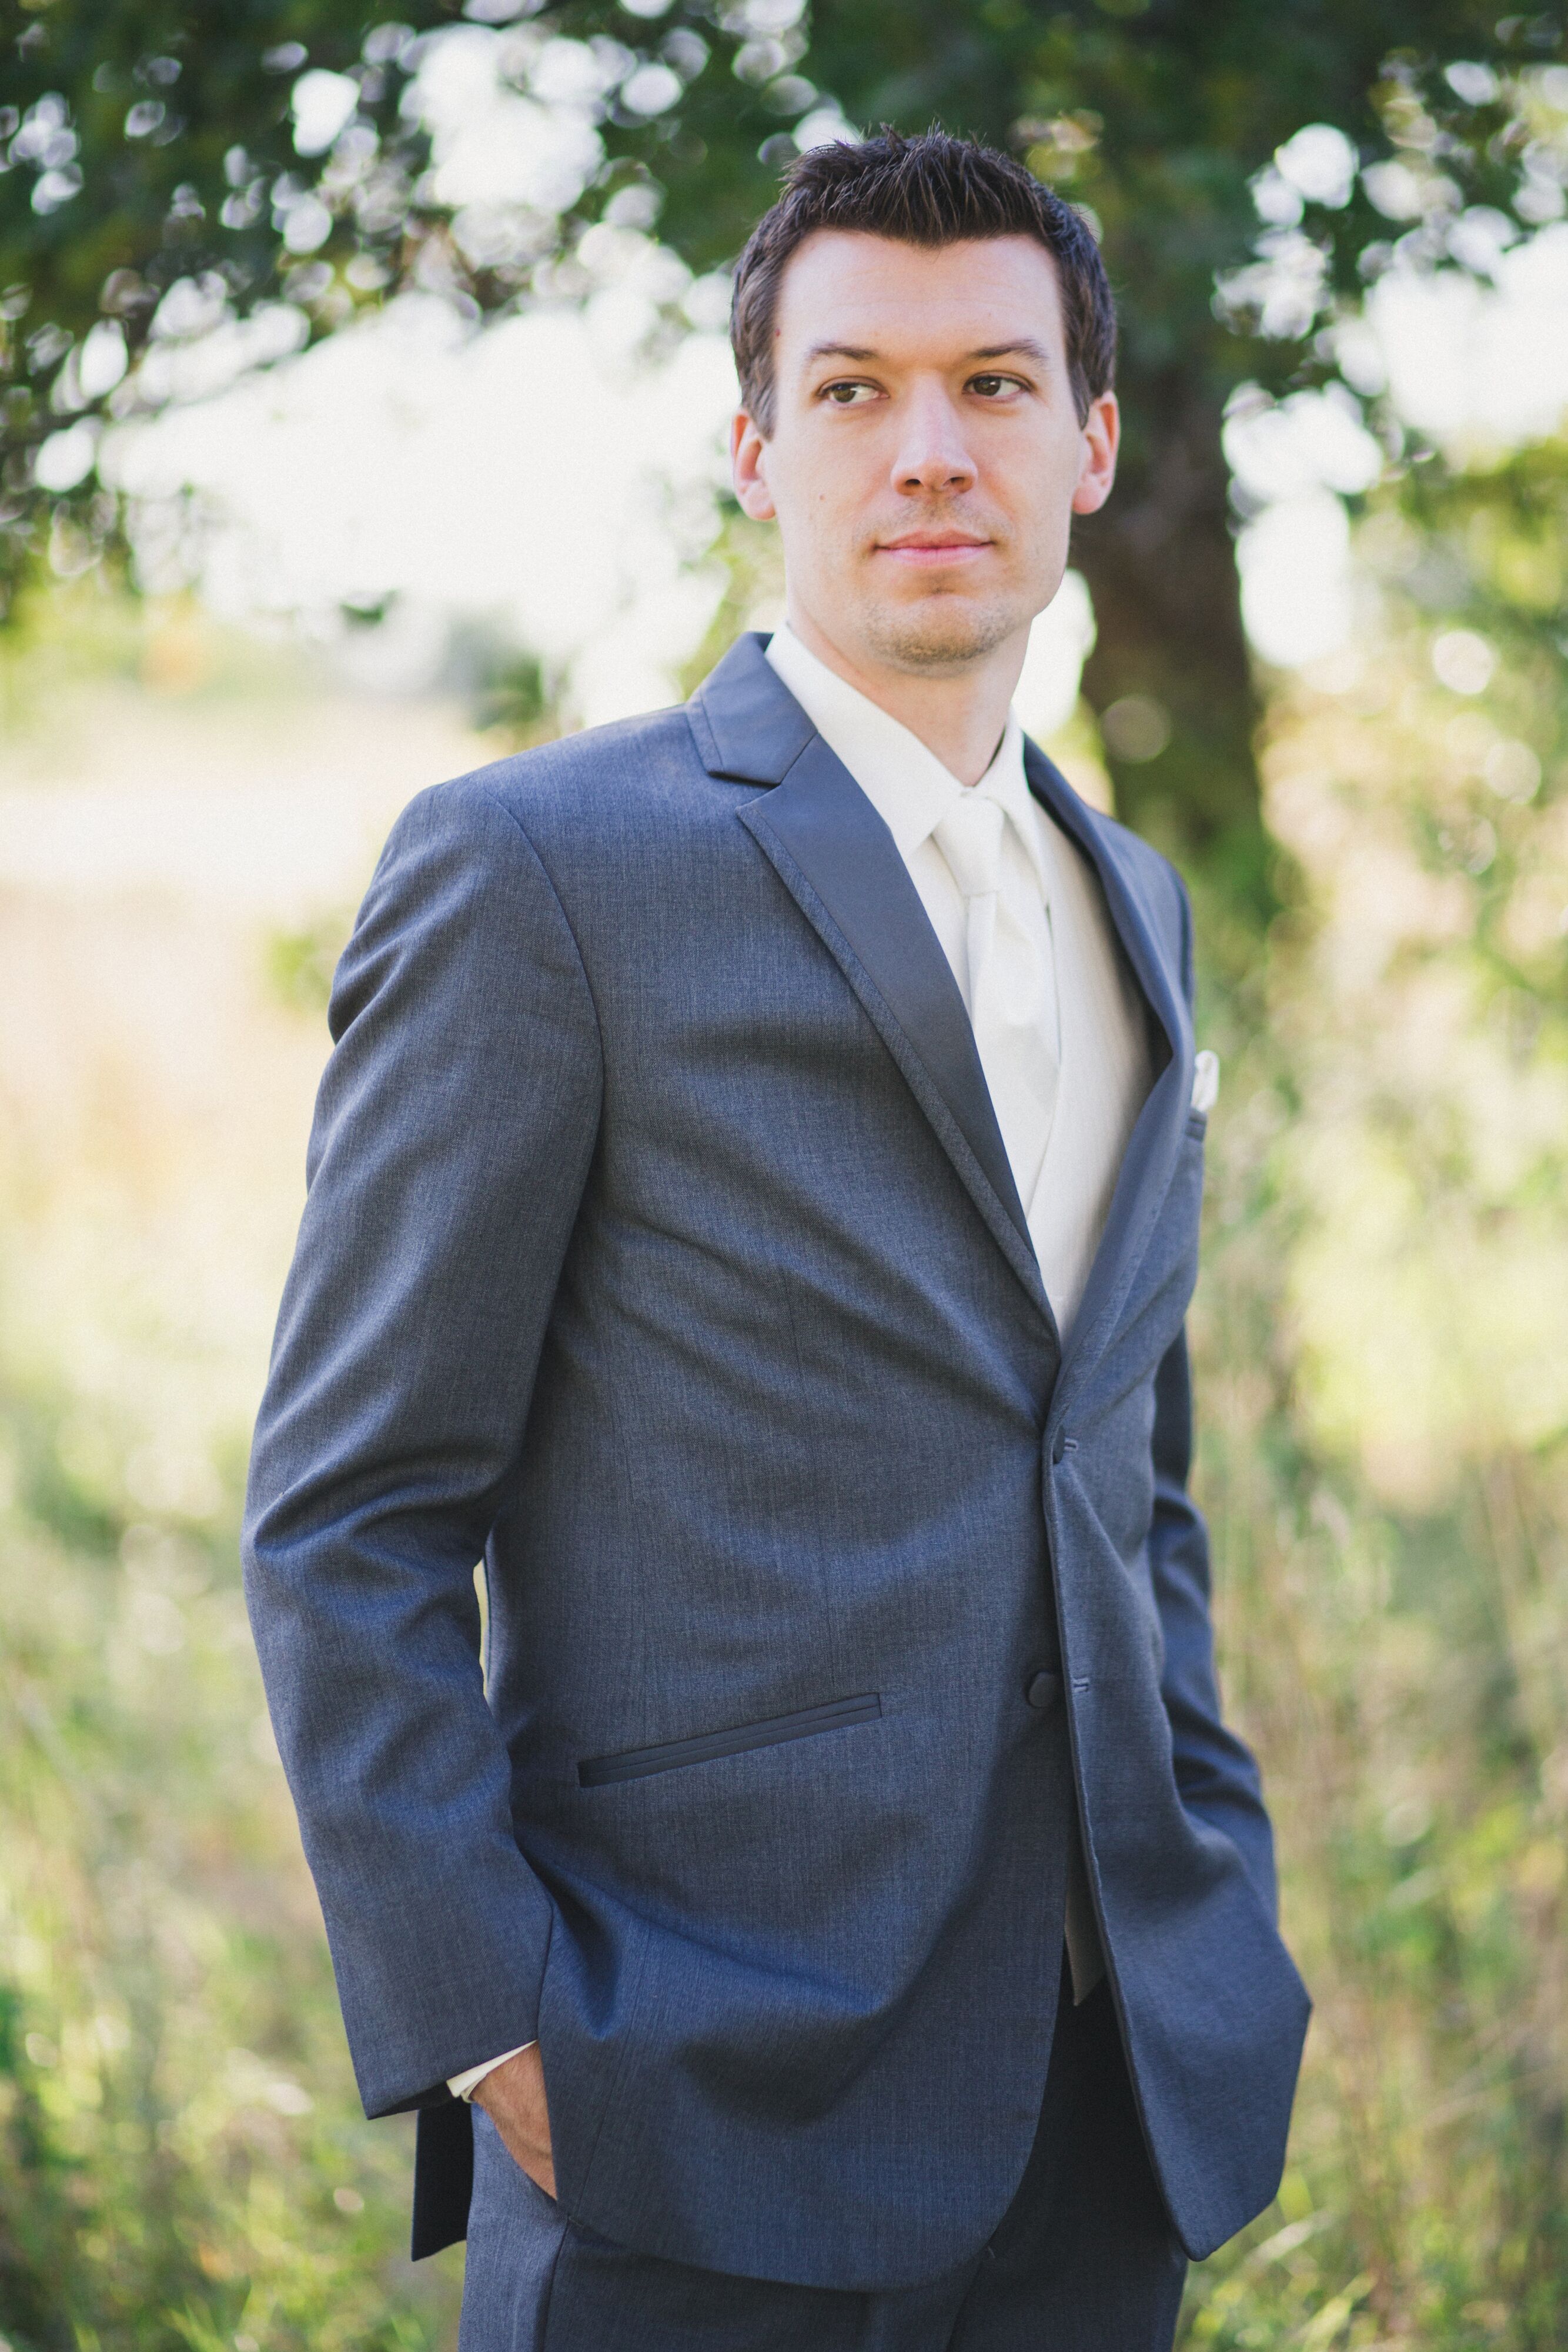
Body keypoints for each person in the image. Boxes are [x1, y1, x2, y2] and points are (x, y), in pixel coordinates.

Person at [243, 127, 1309, 2352]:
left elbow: (1128, 1478)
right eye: (852, 390)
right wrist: (498, 2031)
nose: (928, 450)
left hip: (1110, 2104)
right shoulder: (540, 873)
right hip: (684, 2111)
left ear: (1092, 443)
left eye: (997, 386)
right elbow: (350, 1510)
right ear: (755, 444)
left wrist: (1213, 1886)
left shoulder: (1138, 907)